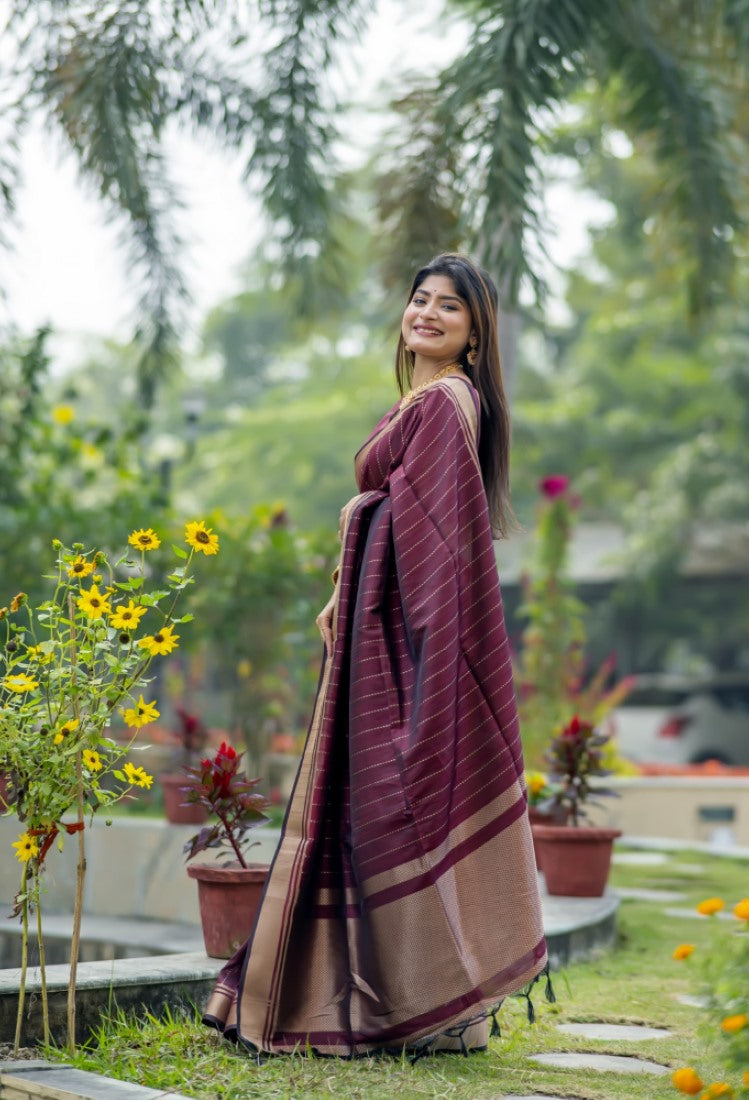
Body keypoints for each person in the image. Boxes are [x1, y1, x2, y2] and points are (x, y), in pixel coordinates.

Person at [203, 252, 549, 1057]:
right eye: (418, 300)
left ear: (474, 335)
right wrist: (342, 582)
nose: (426, 314)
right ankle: (407, 999)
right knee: (363, 809)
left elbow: (430, 548)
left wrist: (421, 667)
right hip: (377, 628)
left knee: (389, 803)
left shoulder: (443, 405)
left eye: (449, 308)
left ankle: (418, 1002)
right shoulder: (432, 400)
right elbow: (397, 514)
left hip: (400, 643)